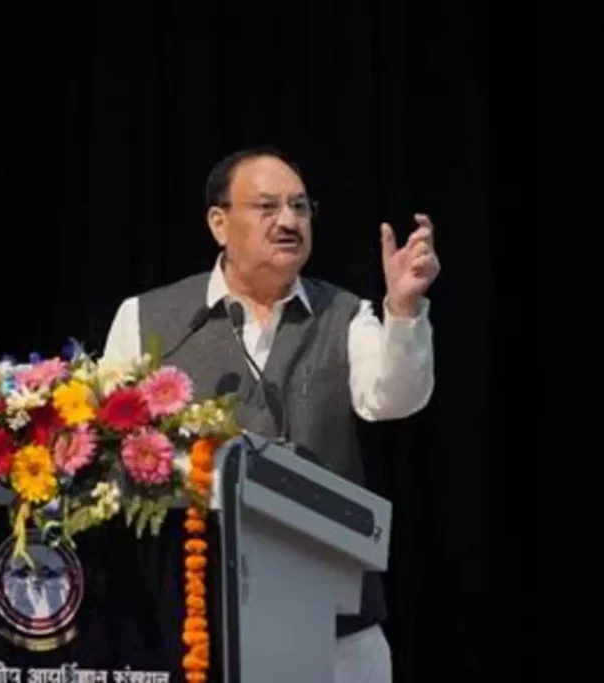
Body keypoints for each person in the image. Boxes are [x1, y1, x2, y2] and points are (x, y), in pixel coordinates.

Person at [101, 146, 438, 682]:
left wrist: (402, 311)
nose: (289, 221)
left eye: (301, 208)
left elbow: (394, 397)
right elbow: (108, 460)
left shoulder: (344, 314)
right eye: (267, 207)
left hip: (334, 630)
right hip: (192, 627)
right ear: (219, 222)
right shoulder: (145, 318)